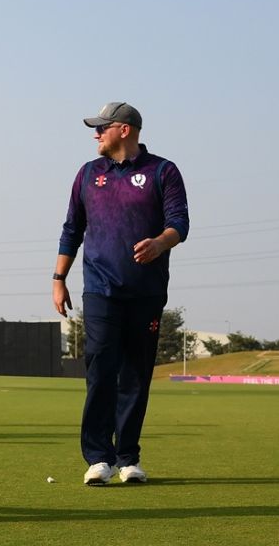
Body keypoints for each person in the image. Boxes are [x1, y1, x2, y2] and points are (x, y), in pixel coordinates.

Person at [52, 102, 189, 486]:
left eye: (102, 127)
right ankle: (99, 458)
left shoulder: (163, 171)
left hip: (146, 292)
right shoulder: (88, 173)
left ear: (124, 130)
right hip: (99, 290)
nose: (95, 134)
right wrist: (58, 277)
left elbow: (180, 222)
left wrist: (161, 243)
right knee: (99, 371)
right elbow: (71, 229)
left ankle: (128, 457)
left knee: (135, 376)